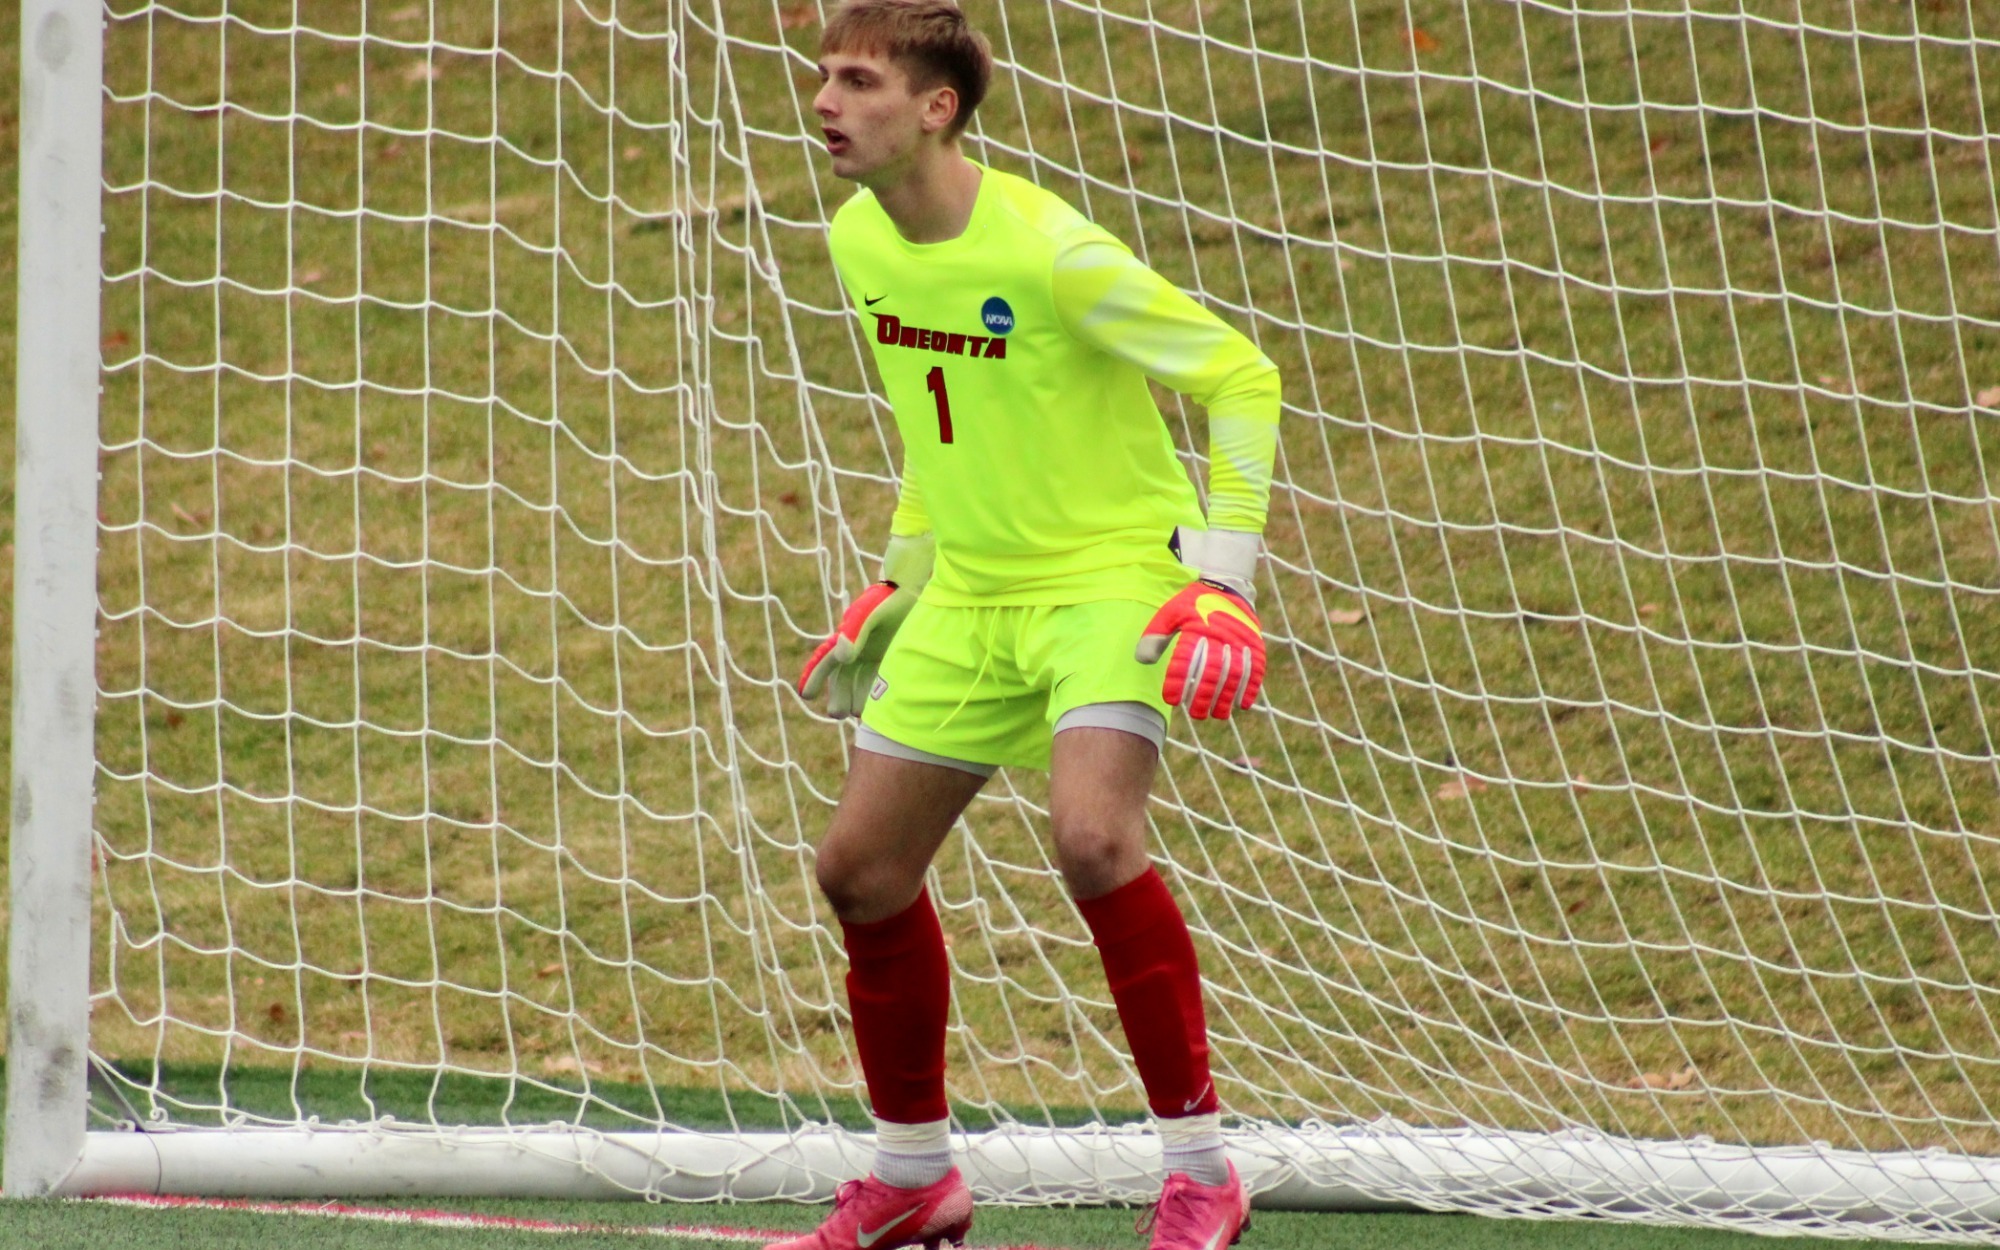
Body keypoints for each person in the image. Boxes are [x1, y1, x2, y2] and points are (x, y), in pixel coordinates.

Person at [773, 2, 1279, 1247]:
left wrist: (1219, 582)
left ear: (935, 109)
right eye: (821, 77)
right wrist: (898, 581)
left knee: (1092, 838)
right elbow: (934, 423)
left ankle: (1203, 1169)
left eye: (858, 81)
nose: (825, 102)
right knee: (859, 871)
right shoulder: (858, 239)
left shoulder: (1053, 254)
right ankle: (911, 1175)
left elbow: (1240, 379)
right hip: (971, 592)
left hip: (1110, 581)